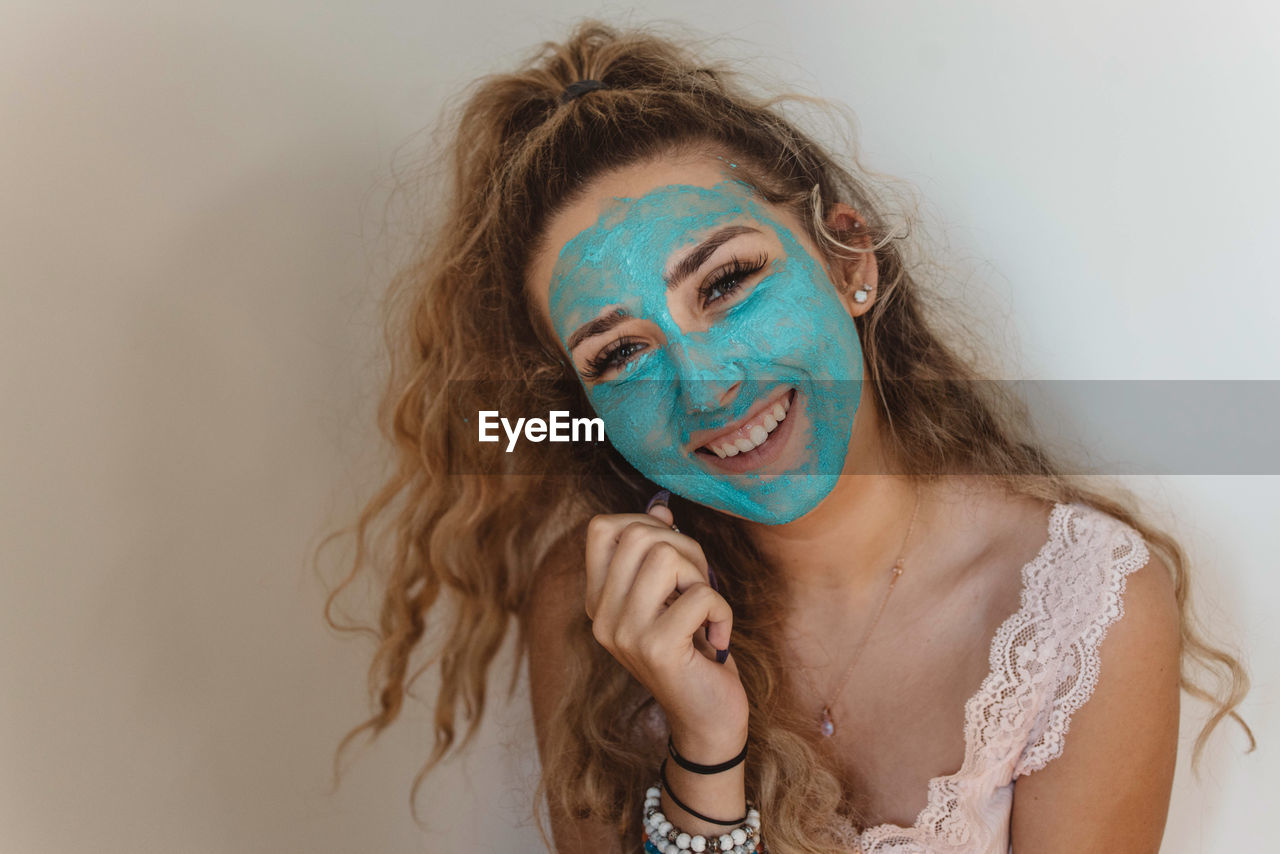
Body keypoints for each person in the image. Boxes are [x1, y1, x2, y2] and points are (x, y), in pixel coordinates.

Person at [320, 19, 1255, 854]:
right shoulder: (594, 607)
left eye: (725, 283)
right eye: (620, 354)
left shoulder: (1087, 612)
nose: (708, 386)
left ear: (849, 257)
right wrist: (705, 756)